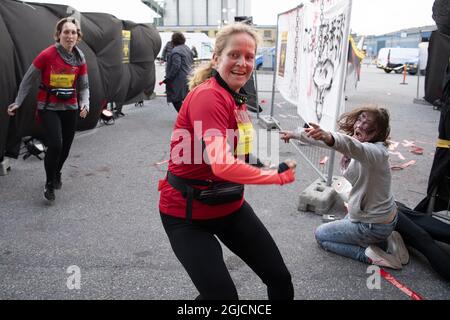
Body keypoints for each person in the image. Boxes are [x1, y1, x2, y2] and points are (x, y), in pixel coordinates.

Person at [158, 23, 297, 300]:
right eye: (234, 54)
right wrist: (274, 176)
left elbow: (237, 151)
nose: (242, 63)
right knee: (222, 299)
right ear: (216, 58)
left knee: (279, 278)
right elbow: (222, 164)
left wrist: (265, 162)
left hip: (229, 205)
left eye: (249, 56)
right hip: (187, 216)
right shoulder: (209, 96)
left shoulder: (237, 97)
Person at [281, 105, 409, 270]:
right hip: (382, 218)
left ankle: (371, 255)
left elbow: (346, 144)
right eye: (360, 119)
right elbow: (337, 143)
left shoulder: (375, 152)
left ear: (378, 132)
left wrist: (329, 137)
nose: (359, 125)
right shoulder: (365, 145)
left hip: (373, 224)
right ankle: (389, 241)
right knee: (342, 224)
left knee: (321, 236)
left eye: (367, 125)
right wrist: (296, 134)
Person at [7, 17, 89, 202]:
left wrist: (85, 104)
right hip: (48, 107)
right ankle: (49, 183)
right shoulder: (47, 55)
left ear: (78, 36)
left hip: (70, 107)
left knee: (66, 148)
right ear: (58, 34)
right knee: (56, 144)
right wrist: (18, 101)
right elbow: (28, 80)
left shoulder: (80, 58)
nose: (69, 36)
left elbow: (84, 86)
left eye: (73, 32)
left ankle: (57, 171)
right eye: (66, 32)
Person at [162, 32, 193, 113]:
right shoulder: (187, 48)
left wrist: (169, 78)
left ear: (173, 41)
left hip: (179, 79)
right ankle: (189, 116)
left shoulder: (175, 51)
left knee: (175, 99)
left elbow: (176, 66)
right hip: (189, 77)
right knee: (186, 98)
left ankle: (185, 117)